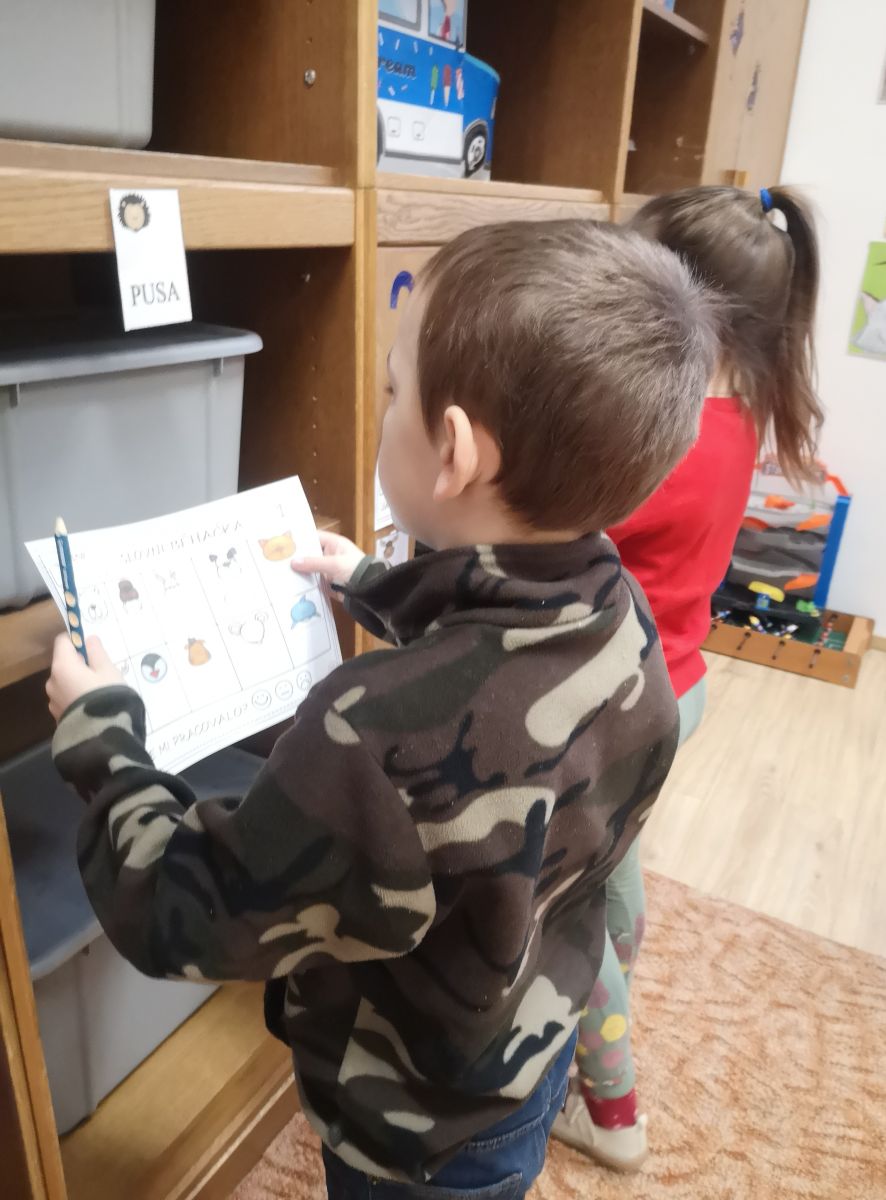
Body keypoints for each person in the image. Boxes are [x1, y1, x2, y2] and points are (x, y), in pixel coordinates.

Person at [45, 219, 718, 1200]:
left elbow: (181, 912)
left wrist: (101, 737)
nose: (385, 403)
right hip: (527, 1059)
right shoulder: (618, 606)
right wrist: (370, 581)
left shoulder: (369, 731)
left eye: (394, 389)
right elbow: (499, 649)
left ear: (454, 452)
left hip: (412, 1134)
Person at [553, 185, 822, 1172]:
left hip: (609, 703)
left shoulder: (661, 437)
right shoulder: (736, 415)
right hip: (674, 686)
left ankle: (611, 1112)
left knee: (562, 910)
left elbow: (558, 534)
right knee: (614, 866)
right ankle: (613, 975)